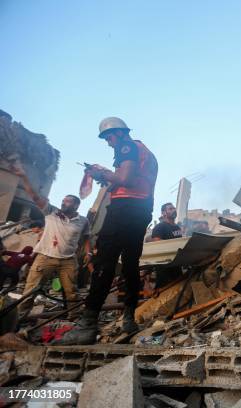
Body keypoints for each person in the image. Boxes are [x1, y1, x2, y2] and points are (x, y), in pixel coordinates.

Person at [59, 117, 158, 344]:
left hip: (124, 210)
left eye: (108, 137)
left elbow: (125, 178)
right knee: (131, 264)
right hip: (141, 210)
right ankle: (129, 318)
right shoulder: (145, 151)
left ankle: (87, 325)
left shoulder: (127, 146)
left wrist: (102, 173)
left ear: (119, 133)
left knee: (104, 262)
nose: (108, 143)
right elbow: (126, 179)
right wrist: (107, 178)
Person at [9, 167, 91, 317]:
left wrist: (88, 252)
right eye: (63, 201)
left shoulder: (83, 221)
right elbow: (34, 196)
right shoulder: (51, 212)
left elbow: (86, 237)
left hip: (68, 260)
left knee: (71, 292)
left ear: (76, 205)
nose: (64, 203)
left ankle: (72, 318)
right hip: (45, 257)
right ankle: (20, 318)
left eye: (68, 202)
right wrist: (24, 177)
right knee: (30, 290)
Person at [150, 203, 183, 288]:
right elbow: (157, 244)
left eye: (174, 208)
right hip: (164, 266)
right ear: (164, 213)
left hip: (176, 264)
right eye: (170, 209)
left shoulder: (177, 228)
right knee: (163, 290)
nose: (174, 210)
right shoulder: (160, 227)